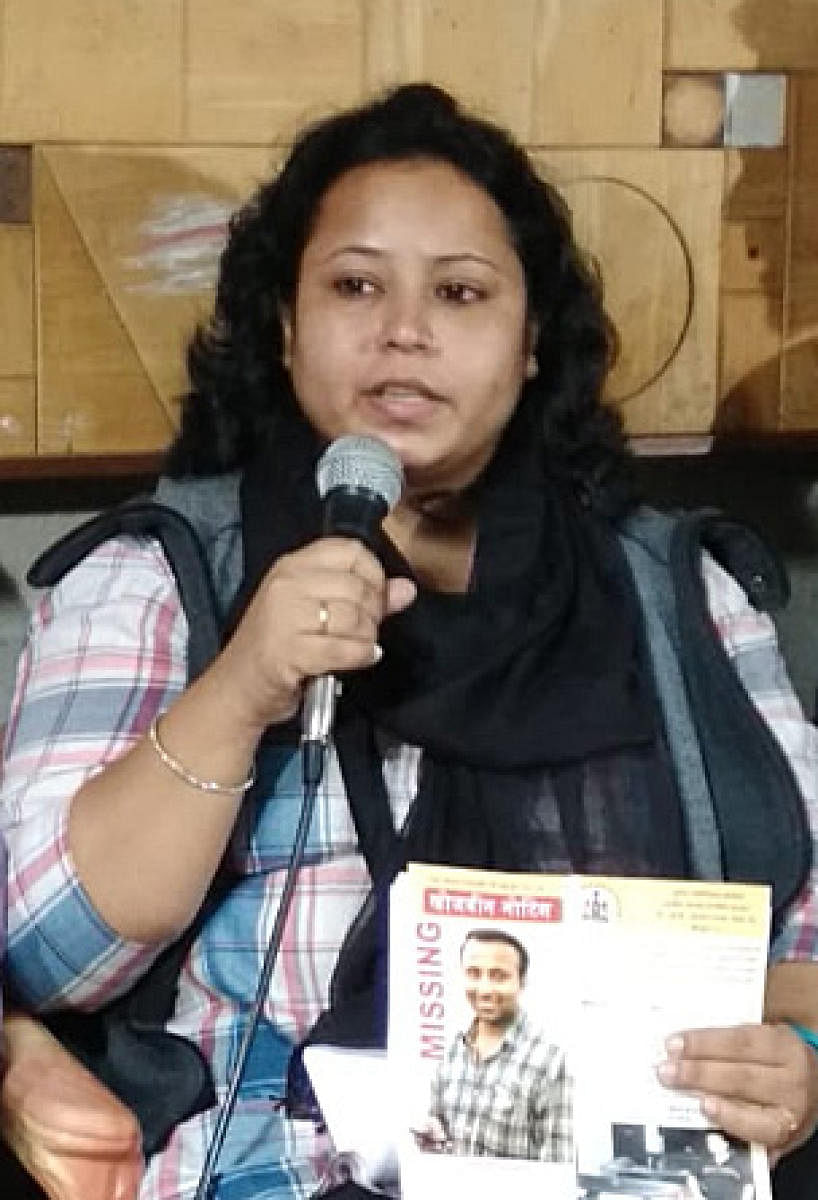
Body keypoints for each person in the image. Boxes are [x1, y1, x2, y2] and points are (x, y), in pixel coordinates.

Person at [1, 82, 818, 1200]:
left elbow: (805, 936)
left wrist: (800, 1059)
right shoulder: (159, 578)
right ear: (286, 327)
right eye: (353, 284)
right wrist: (240, 688)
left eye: (460, 292)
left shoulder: (679, 592)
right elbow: (44, 956)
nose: (404, 329)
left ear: (529, 342)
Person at [421, 929, 571, 1161]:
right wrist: (431, 1138)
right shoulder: (452, 1049)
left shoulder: (551, 1060)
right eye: (473, 973)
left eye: (499, 976)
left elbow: (558, 1167)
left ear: (522, 982)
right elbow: (437, 1133)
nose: (484, 989)